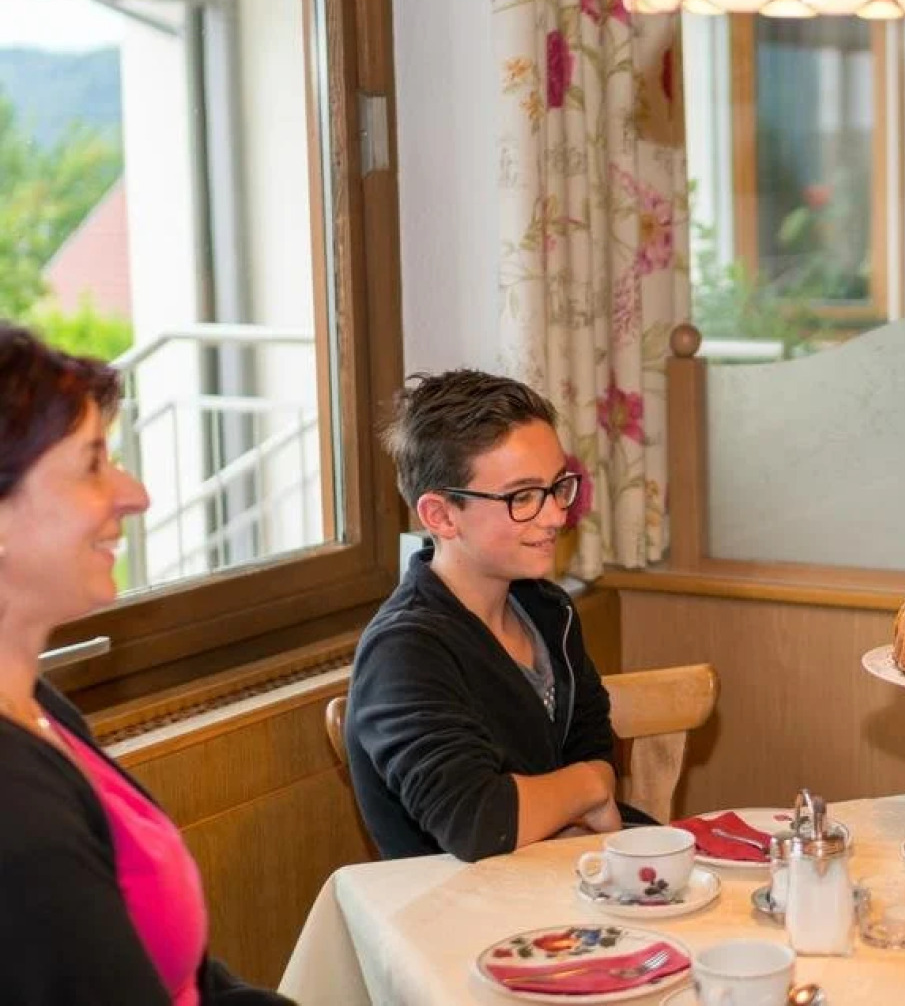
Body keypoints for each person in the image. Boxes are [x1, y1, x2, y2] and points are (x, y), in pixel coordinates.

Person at [0, 323, 291, 1004]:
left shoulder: (39, 706)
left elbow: (191, 981)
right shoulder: (13, 811)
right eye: (94, 463)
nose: (134, 492)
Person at [346, 369, 650, 861]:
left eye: (557, 487)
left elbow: (595, 745)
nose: (554, 515)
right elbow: (478, 823)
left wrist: (583, 788)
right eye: (522, 497)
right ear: (441, 516)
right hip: (456, 916)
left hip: (557, 884)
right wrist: (588, 785)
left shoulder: (548, 611)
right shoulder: (405, 650)